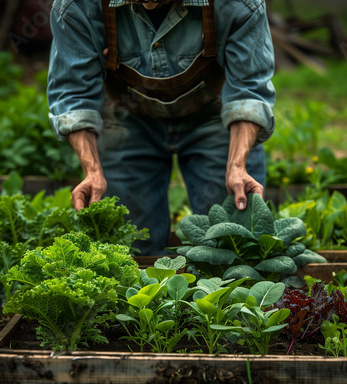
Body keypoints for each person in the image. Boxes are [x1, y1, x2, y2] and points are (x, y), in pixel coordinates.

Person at [47, 0, 275, 254]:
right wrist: (92, 171)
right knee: (130, 247)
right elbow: (73, 95)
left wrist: (237, 165)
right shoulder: (78, 6)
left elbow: (249, 93)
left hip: (216, 117)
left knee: (232, 242)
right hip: (128, 117)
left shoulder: (237, 4)